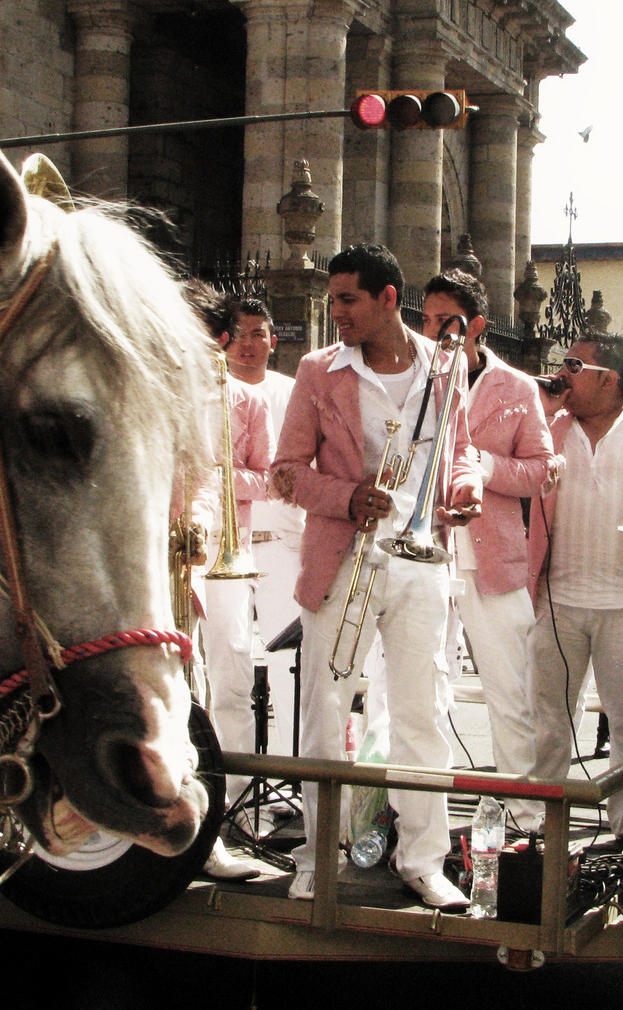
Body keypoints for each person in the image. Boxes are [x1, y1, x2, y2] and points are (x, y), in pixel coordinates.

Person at [270, 243, 482, 911]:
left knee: (422, 714)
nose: (335, 312)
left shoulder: (443, 367)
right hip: (342, 559)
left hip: (419, 562)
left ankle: (423, 860)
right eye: (333, 298)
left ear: (387, 299)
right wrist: (344, 496)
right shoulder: (315, 370)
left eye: (346, 299)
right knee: (324, 714)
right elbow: (285, 470)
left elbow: (462, 451)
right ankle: (315, 856)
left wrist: (467, 485)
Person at [421, 270, 560, 832]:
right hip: (424, 552)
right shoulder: (414, 378)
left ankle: (526, 819)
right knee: (418, 691)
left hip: (493, 561)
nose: (432, 332)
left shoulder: (519, 387)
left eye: (444, 321)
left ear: (476, 325)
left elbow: (542, 472)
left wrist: (485, 466)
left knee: (511, 692)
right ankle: (418, 818)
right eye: (426, 320)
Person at [181, 279, 274, 880]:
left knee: (233, 678)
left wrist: (216, 479)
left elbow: (268, 479)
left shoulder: (247, 402)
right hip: (173, 558)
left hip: (223, 554)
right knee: (181, 686)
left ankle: (235, 807)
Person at [526, 332, 623, 838]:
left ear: (610, 379)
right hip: (557, 603)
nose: (561, 372)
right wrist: (543, 411)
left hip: (621, 608)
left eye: (574, 365)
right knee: (548, 724)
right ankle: (542, 830)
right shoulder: (552, 429)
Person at [224, 299, 306, 770]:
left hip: (280, 545)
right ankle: (231, 781)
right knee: (230, 668)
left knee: (287, 665)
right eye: (239, 333)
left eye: (258, 333)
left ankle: (290, 775)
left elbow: (290, 478)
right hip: (224, 545)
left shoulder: (292, 392)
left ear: (274, 341)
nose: (248, 343)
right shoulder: (211, 389)